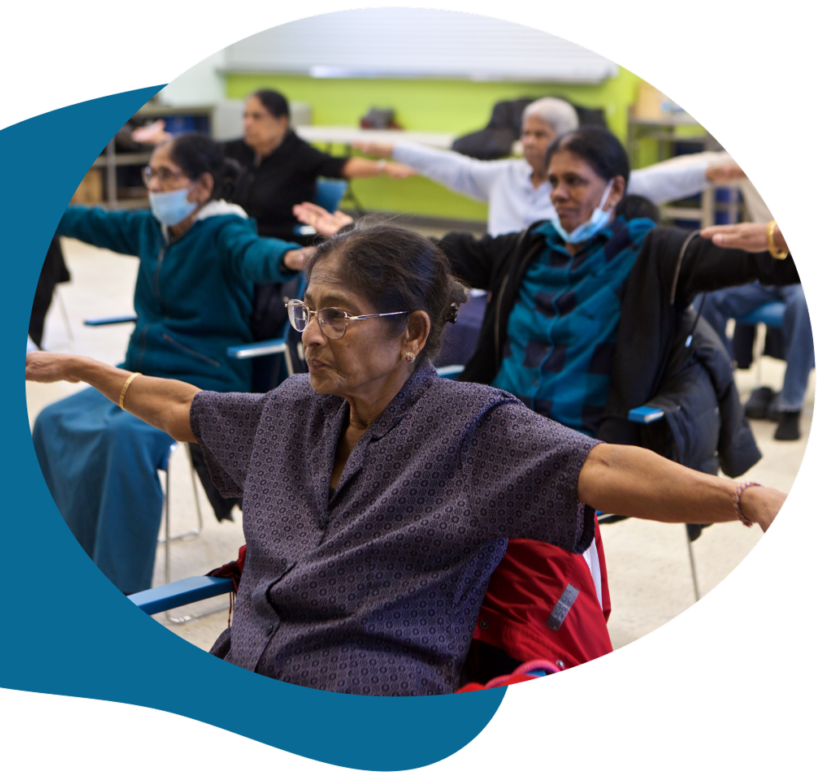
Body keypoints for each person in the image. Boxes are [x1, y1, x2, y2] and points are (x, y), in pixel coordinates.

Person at [26, 222, 785, 697]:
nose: (310, 335)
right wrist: (95, 373)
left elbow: (608, 469)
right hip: (248, 661)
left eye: (337, 316)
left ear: (414, 333)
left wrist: (743, 498)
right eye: (306, 311)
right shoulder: (296, 407)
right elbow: (183, 409)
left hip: (373, 690)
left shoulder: (475, 430)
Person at [291, 126, 800, 675]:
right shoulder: (530, 244)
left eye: (575, 181)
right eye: (553, 180)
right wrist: (352, 244)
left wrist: (774, 238)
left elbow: (769, 264)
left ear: (614, 189)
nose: (558, 191)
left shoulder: (657, 251)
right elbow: (436, 258)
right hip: (490, 430)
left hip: (587, 439)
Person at [30, 133, 313, 596]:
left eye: (166, 174)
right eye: (151, 173)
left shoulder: (226, 230)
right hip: (136, 372)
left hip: (202, 379)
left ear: (201, 186)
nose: (154, 184)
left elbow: (258, 257)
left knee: (121, 439)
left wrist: (294, 256)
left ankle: (118, 587)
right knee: (53, 418)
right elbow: (89, 221)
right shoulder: (151, 230)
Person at [350, 97, 746, 237]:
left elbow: (655, 181)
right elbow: (450, 166)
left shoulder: (593, 184)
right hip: (494, 287)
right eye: (526, 133)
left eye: (540, 134)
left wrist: (713, 168)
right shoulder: (503, 175)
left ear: (566, 140)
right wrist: (393, 148)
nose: (529, 142)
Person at [134, 89, 415, 245]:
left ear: (281, 122)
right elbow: (199, 153)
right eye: (245, 116)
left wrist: (383, 167)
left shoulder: (299, 154)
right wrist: (164, 140)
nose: (248, 123)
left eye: (257, 117)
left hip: (275, 244)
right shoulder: (237, 149)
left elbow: (340, 165)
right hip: (232, 236)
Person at [696, 221, 812, 441]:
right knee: (708, 295)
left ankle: (791, 406)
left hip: (797, 281)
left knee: (803, 304)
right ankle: (721, 389)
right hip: (765, 268)